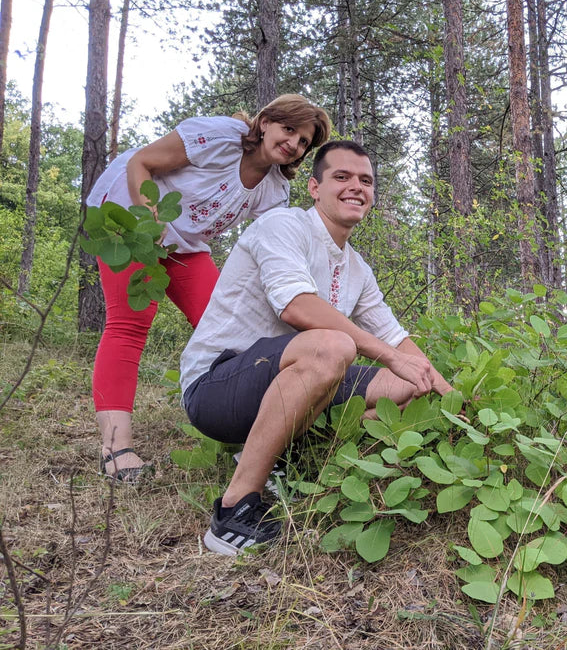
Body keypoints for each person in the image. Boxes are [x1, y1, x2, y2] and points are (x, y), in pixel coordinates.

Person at [179, 139, 455, 555]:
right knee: (332, 346)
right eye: (341, 177)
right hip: (217, 387)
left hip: (288, 378)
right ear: (314, 187)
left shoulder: (356, 267)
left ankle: (281, 458)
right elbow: (296, 306)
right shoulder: (283, 226)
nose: (356, 187)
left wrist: (450, 398)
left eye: (366, 181)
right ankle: (234, 510)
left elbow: (397, 338)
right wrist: (390, 357)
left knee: (409, 386)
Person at [86, 95, 331, 481]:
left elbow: (270, 249)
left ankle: (254, 440)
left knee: (228, 328)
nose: (293, 144)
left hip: (186, 243)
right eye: (288, 130)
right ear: (265, 122)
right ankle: (116, 451)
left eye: (303, 141)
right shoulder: (219, 138)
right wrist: (149, 219)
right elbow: (141, 163)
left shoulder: (274, 190)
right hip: (129, 218)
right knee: (130, 324)